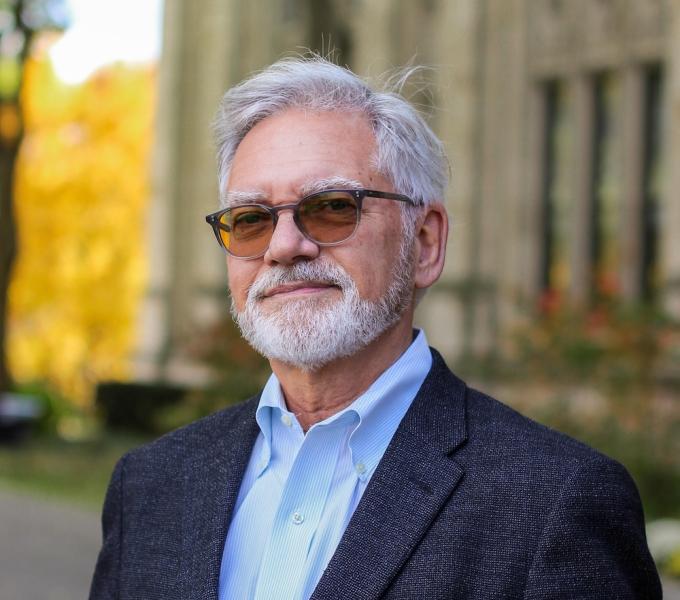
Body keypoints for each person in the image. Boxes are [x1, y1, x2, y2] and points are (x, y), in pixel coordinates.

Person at [90, 57, 661, 600]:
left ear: (425, 242)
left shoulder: (556, 504)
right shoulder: (150, 487)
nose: (285, 247)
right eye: (251, 220)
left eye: (333, 207)